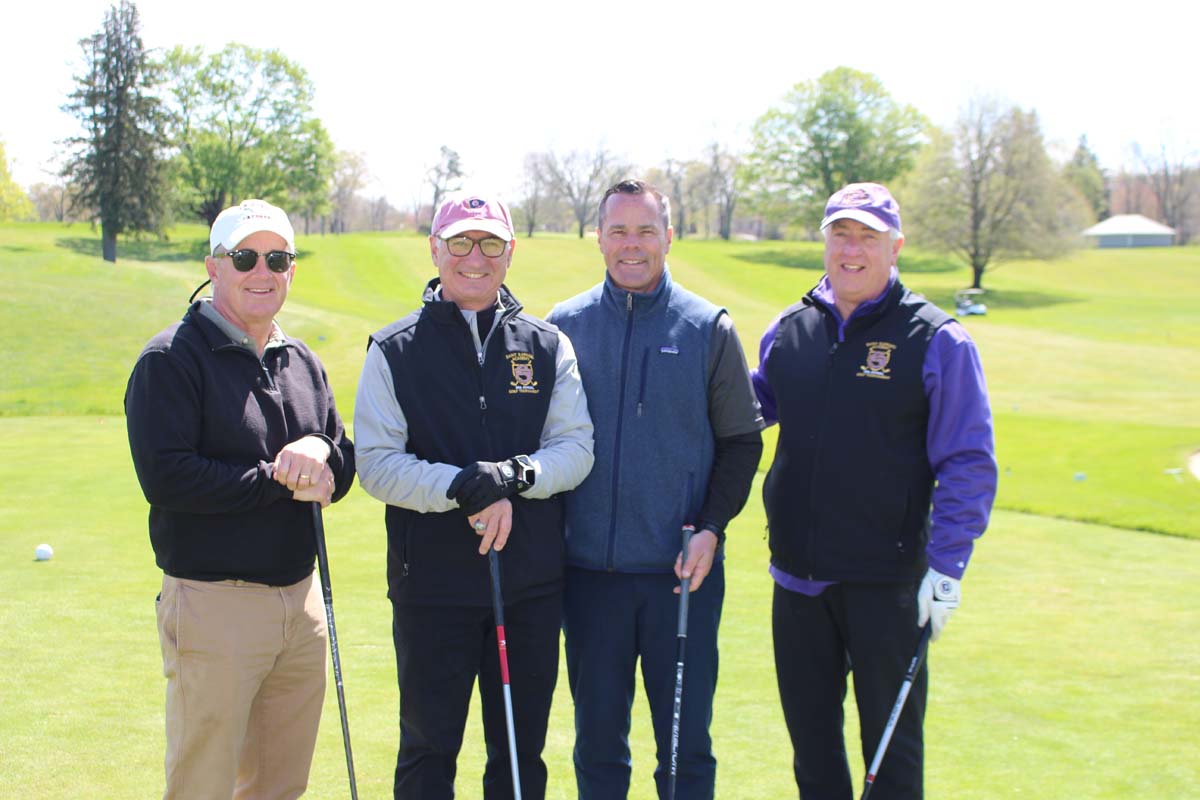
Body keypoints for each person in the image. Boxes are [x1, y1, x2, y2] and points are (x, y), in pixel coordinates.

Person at [751, 182, 998, 799]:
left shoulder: (937, 339)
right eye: (841, 234)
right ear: (825, 242)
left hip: (887, 585)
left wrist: (948, 567)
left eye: (868, 237)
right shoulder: (788, 331)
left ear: (896, 247)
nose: (852, 250)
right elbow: (742, 415)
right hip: (798, 580)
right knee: (812, 756)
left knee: (891, 763)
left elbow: (968, 461)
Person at [354, 191, 594, 800]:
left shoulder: (546, 345)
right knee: (428, 751)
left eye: (490, 243)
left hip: (529, 588)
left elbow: (575, 449)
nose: (475, 257)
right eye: (460, 242)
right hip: (431, 590)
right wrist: (464, 487)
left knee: (518, 754)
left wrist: (511, 476)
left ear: (510, 252)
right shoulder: (393, 349)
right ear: (435, 250)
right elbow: (377, 464)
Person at [124, 198, 356, 799]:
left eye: (277, 259)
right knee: (202, 784)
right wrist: (280, 478)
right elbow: (169, 478)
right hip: (214, 602)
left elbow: (342, 457)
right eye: (245, 257)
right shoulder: (170, 359)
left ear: (291, 270)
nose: (262, 271)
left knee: (281, 785)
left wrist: (321, 452)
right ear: (214, 266)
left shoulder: (300, 360)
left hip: (300, 604)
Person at [546, 179, 764, 800]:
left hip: (682, 576)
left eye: (645, 230)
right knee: (598, 749)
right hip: (589, 578)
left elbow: (742, 442)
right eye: (618, 230)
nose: (632, 244)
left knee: (684, 753)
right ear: (598, 238)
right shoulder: (563, 327)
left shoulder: (708, 327)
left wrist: (712, 528)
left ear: (669, 237)